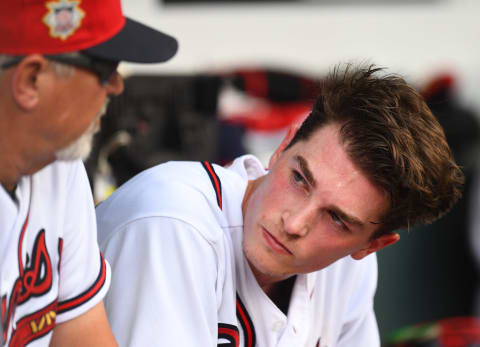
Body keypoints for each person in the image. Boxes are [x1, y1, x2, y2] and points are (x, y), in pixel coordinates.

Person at [96, 64, 464, 347]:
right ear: (283, 146)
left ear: (370, 247)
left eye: (336, 219)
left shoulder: (350, 270)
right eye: (300, 179)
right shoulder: (173, 219)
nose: (295, 223)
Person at [0, 0, 177, 345]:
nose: (117, 87)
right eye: (105, 68)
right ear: (32, 80)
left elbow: (81, 333)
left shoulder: (57, 164)